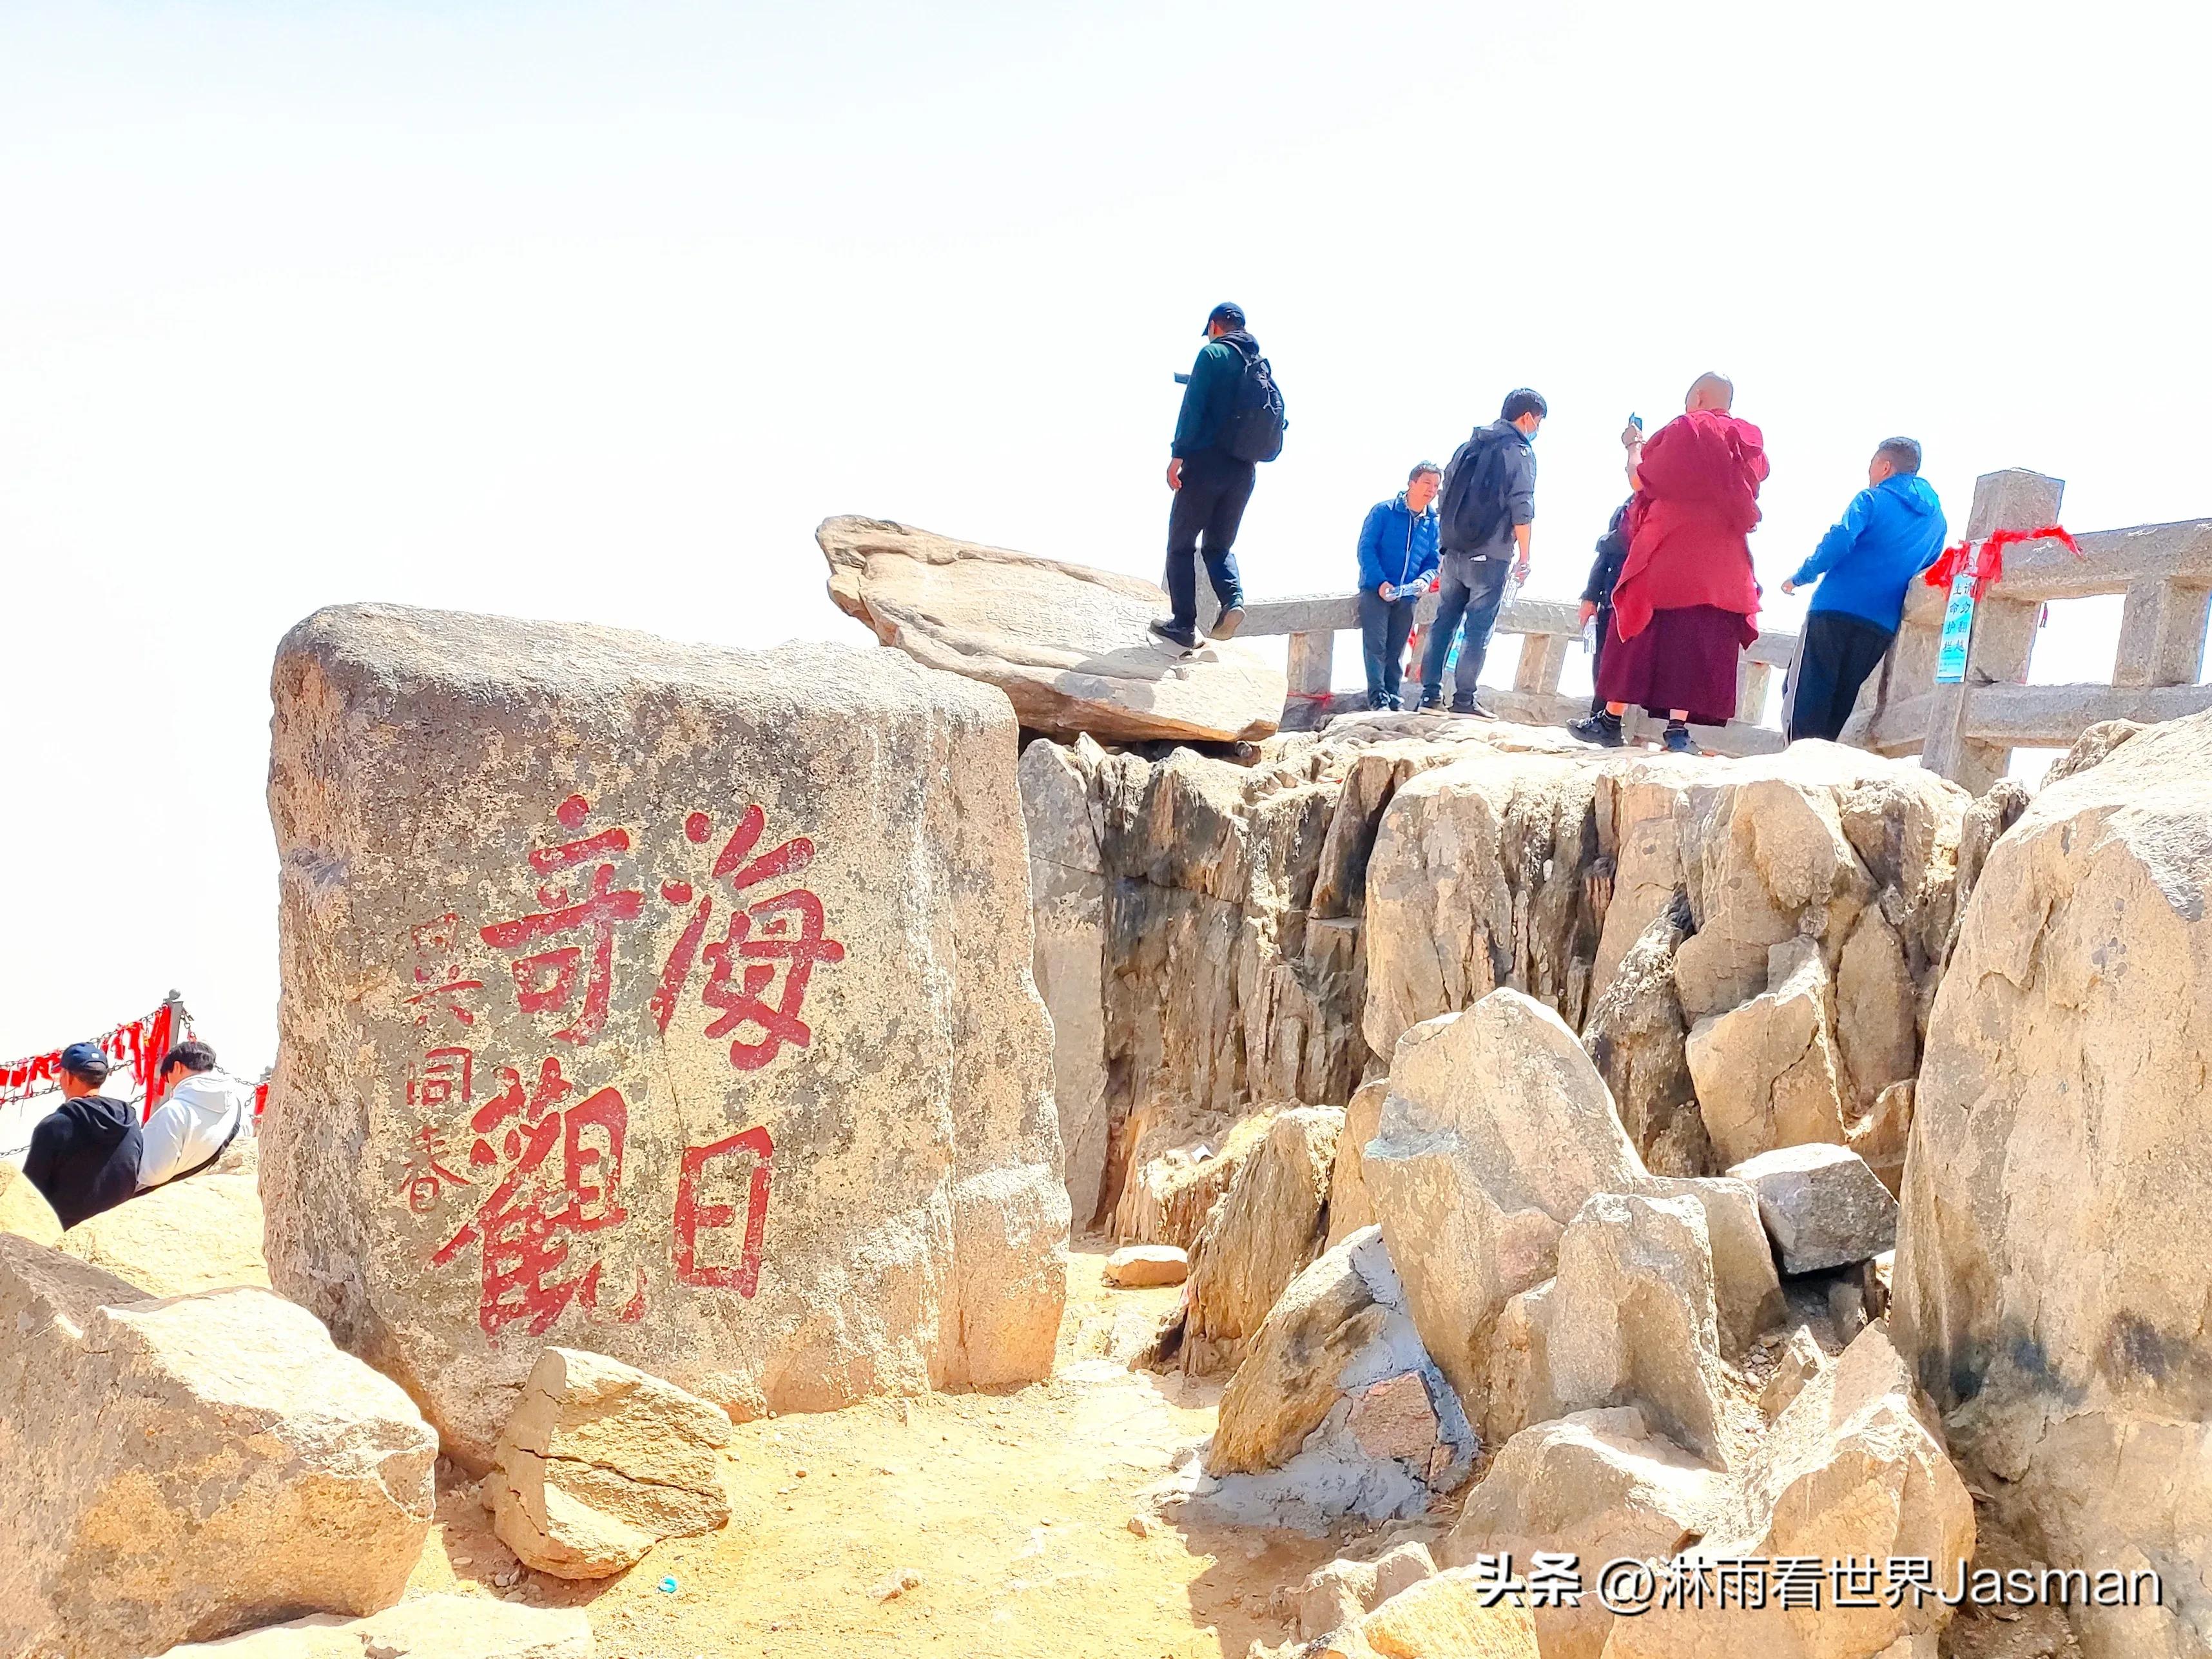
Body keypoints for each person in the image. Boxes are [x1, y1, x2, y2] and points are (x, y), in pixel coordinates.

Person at [1591, 373, 1768, 753]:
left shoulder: (1688, 427)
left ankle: (1610, 720)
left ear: (1699, 397)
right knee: (1695, 636)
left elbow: (1640, 481)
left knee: (1639, 621)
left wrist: (1634, 444)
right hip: (1723, 559)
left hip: (1671, 543)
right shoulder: (1748, 440)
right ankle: (1677, 731)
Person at [1781, 437, 1947, 742]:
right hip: (1881, 623)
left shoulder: (1872, 499)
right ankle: (1817, 768)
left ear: (1885, 466)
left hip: (1835, 608)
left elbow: (1841, 538)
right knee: (1841, 700)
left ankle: (1793, 766)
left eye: (1871, 465)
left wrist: (1802, 576)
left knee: (1804, 694)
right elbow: (1927, 569)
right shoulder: (1938, 522)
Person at [1417, 389, 1545, 717]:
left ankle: (1429, 698)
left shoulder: (1469, 445)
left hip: (1455, 550)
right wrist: (1526, 556)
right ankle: (1463, 701)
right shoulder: (1519, 452)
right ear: (1528, 417)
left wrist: (1448, 540)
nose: (1538, 429)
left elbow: (1445, 495)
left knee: (1444, 621)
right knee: (1477, 628)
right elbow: (1522, 506)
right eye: (1539, 421)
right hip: (1491, 554)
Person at [1151, 302, 1262, 651]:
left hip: (1205, 466)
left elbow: (1193, 407)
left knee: (1181, 545)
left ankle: (1184, 624)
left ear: (1215, 325)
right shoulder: (1259, 365)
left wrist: (1177, 455)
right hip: (1244, 471)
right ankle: (1233, 601)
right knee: (1218, 546)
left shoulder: (1212, 354)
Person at [21, 1042, 143, 1229]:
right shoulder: (131, 1123)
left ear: (67, 1077)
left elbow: (30, 1192)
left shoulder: (54, 1127)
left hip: (61, 1233)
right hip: (113, 1228)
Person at [1354, 463, 1443, 710]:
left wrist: (1423, 581)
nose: (1432, 490)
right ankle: (1377, 698)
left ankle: (1393, 695)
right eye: (1427, 484)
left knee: (1397, 648)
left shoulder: (1432, 523)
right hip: (1375, 591)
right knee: (1376, 646)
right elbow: (1366, 549)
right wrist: (1380, 583)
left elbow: (1432, 561)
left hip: (1408, 596)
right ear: (1411, 483)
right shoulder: (1383, 512)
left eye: (1436, 486)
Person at [137, 1040, 255, 1190]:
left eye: (167, 1078)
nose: (170, 1085)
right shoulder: (238, 1107)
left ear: (178, 1067)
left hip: (173, 1200)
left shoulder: (174, 1111)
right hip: (220, 1193)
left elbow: (153, 1174)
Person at [1567, 500, 1633, 743]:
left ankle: (1608, 724)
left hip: (1635, 598)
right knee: (1603, 662)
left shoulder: (1660, 504)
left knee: (1618, 665)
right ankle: (1599, 721)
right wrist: (1590, 597)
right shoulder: (1627, 506)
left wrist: (1607, 541)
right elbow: (1605, 556)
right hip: (1610, 596)